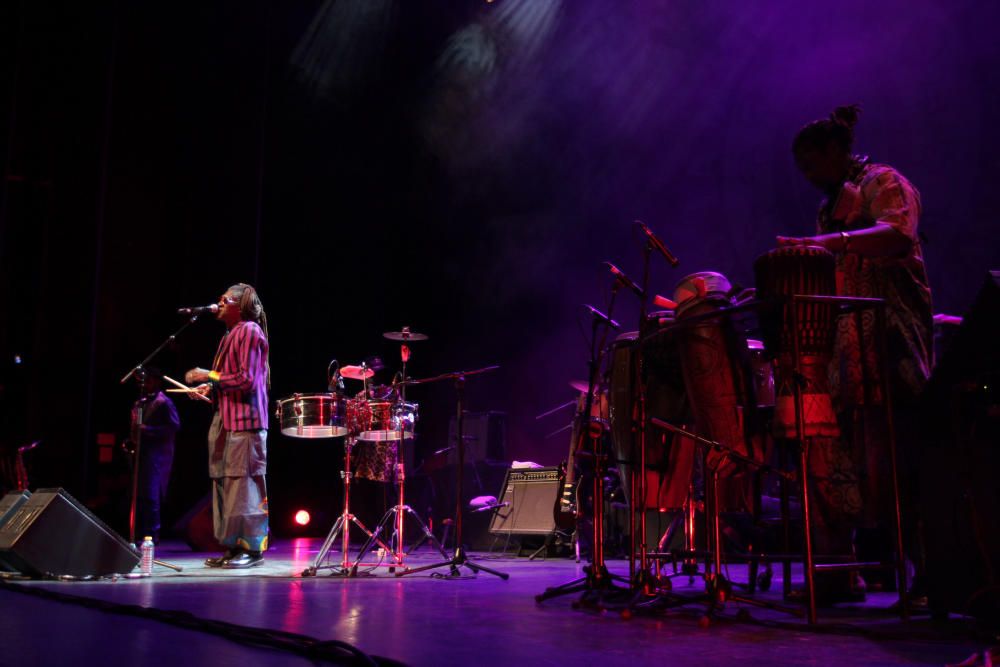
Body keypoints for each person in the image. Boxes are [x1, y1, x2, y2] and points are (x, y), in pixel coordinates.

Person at [778, 104, 934, 601]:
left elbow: (897, 234)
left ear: (834, 152)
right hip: (847, 355)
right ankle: (841, 573)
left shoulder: (884, 181)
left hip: (889, 343)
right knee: (841, 466)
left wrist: (834, 241)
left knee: (903, 462)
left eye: (811, 164)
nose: (807, 177)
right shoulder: (831, 206)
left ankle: (932, 577)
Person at [186, 283, 271, 569]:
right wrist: (209, 388)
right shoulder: (229, 335)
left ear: (239, 304)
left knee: (243, 484)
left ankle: (251, 548)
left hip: (245, 422)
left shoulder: (248, 330)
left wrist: (207, 374)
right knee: (224, 483)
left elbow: (245, 379)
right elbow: (228, 379)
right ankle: (233, 546)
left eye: (224, 299)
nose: (218, 303)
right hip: (226, 419)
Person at [130, 368, 180, 544]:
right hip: (142, 453)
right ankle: (138, 532)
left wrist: (147, 430)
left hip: (158, 455)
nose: (145, 385)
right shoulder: (141, 402)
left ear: (157, 382)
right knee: (140, 495)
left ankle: (152, 534)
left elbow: (173, 427)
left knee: (152, 495)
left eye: (149, 381)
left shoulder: (163, 402)